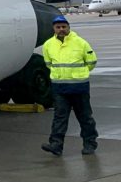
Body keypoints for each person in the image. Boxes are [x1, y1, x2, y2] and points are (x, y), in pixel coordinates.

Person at [41, 15, 98, 156]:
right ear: (54, 29)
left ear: (68, 27)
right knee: (59, 117)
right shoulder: (48, 44)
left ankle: (90, 144)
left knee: (85, 117)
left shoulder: (81, 43)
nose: (61, 29)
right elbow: (49, 64)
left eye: (63, 27)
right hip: (59, 88)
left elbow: (91, 62)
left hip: (79, 87)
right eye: (58, 27)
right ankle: (56, 145)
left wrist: (80, 74)